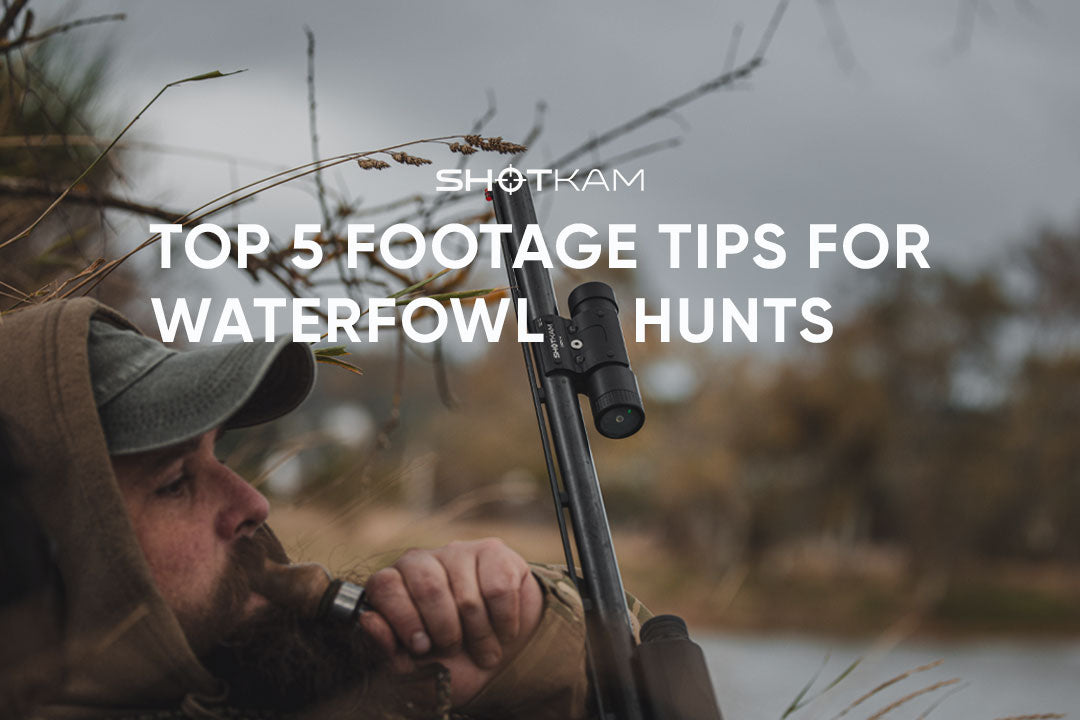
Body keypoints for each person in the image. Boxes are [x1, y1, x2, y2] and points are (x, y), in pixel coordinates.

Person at [0, 298, 649, 720]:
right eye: (174, 483)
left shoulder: (250, 682)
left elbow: (638, 651)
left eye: (215, 455)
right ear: (37, 555)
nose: (251, 504)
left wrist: (529, 644)